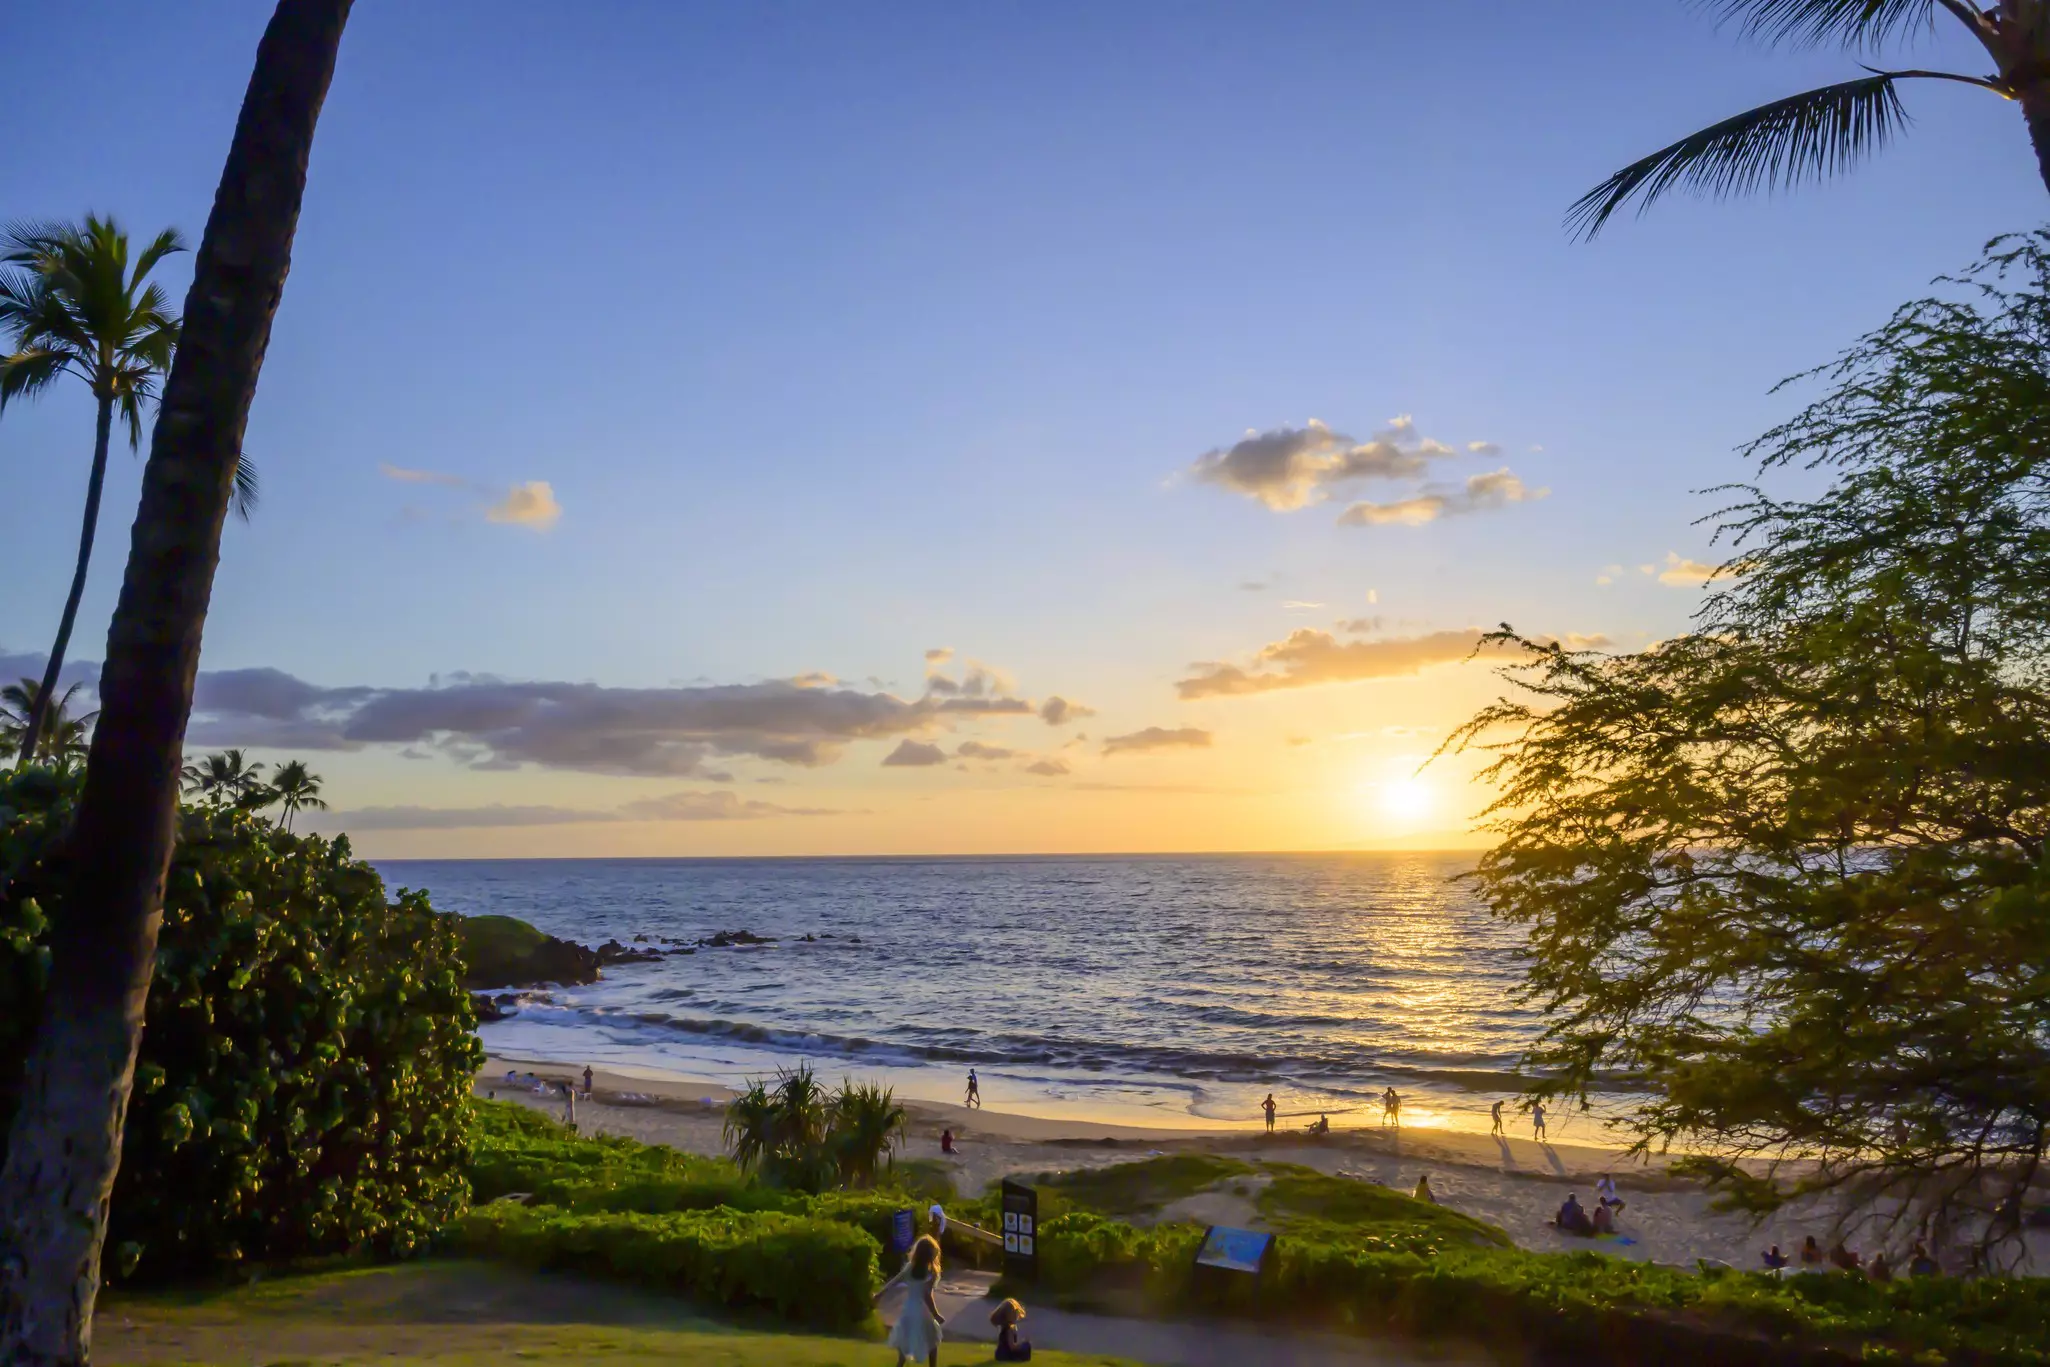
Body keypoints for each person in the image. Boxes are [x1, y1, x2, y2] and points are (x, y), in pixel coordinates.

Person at [875, 1234, 945, 1367]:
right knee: (932, 1340)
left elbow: (893, 1282)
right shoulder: (931, 1273)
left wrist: (879, 1295)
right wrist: (936, 1314)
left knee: (905, 1343)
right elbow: (927, 1295)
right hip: (923, 1310)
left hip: (909, 1309)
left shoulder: (909, 1268)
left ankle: (900, 1365)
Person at [990, 1297, 1032, 1362]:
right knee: (1027, 1345)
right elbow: (1012, 1347)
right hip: (1006, 1355)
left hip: (1000, 1355)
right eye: (1014, 1313)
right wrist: (1022, 1344)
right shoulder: (1009, 1329)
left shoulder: (1003, 1327)